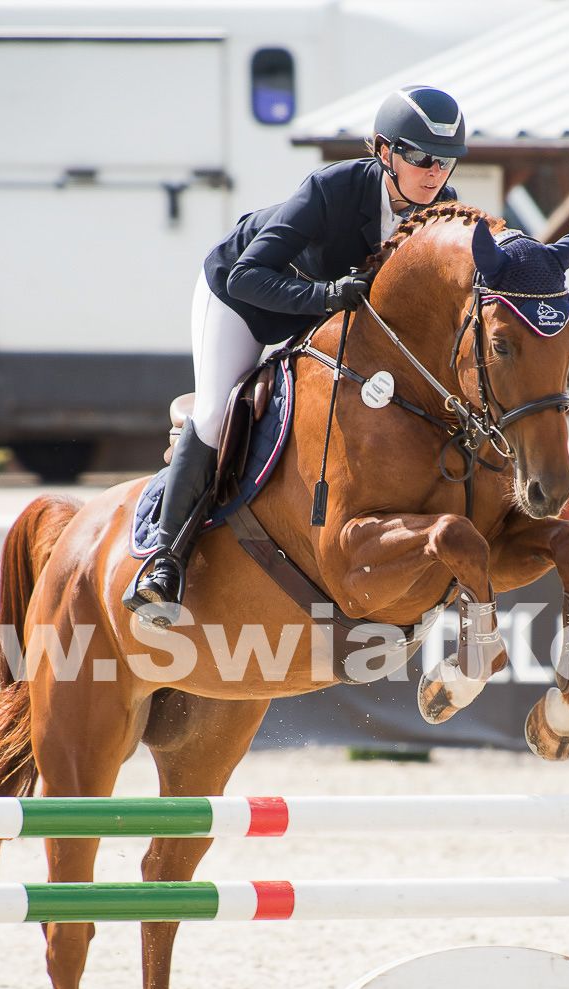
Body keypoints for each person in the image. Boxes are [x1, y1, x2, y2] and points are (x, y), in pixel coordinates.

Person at [127, 85, 465, 614]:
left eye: (444, 161)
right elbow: (245, 276)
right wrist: (325, 296)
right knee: (216, 412)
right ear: (384, 151)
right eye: (421, 157)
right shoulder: (333, 189)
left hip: (319, 316)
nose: (434, 173)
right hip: (241, 299)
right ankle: (164, 559)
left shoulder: (441, 212)